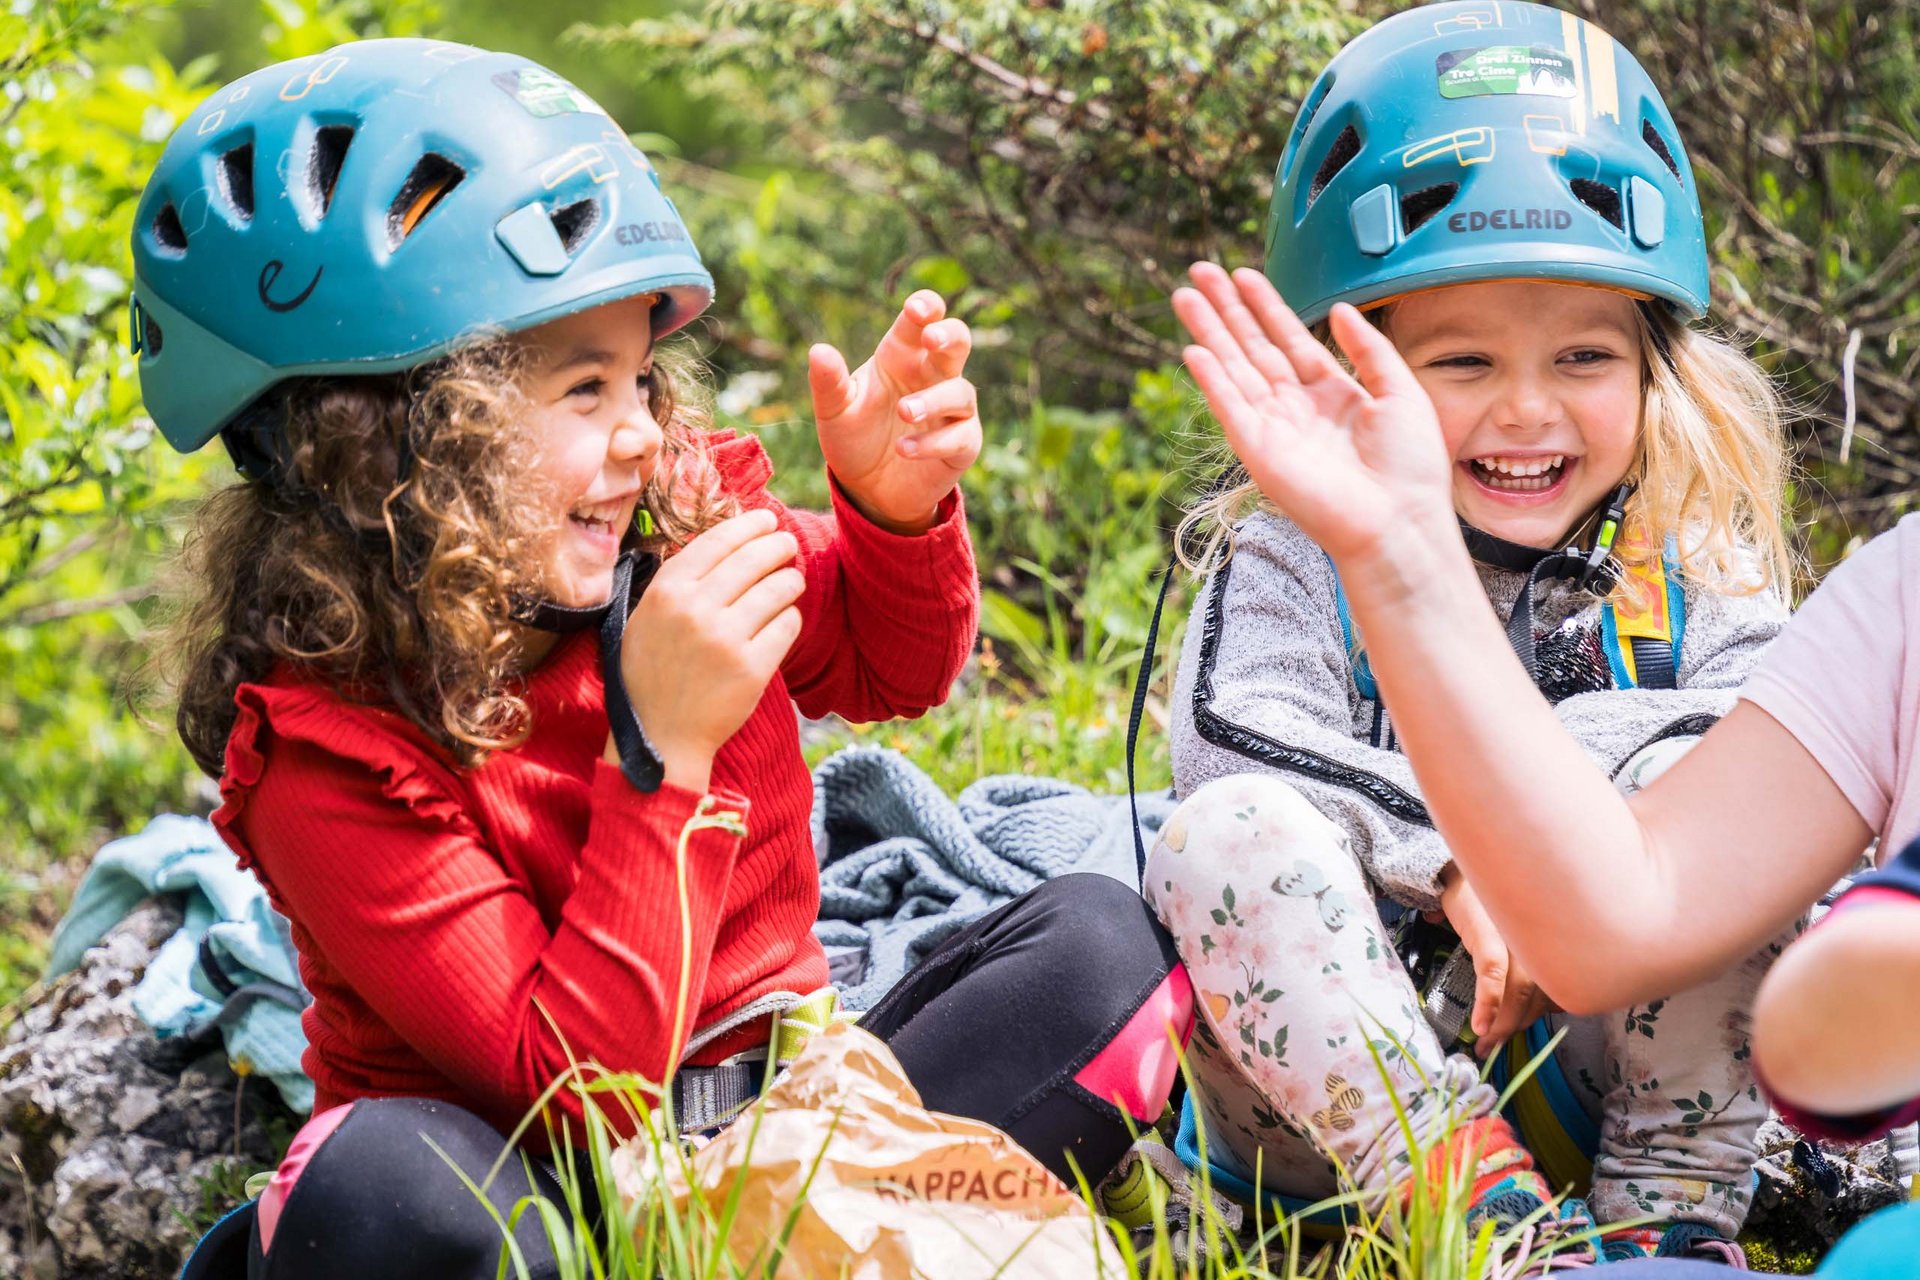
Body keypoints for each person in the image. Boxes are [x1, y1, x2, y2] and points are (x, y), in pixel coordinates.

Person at [149, 39, 1192, 1280]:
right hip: (537, 1179)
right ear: (386, 442)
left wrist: (891, 512)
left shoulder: (675, 529)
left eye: (643, 376)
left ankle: (826, 1232)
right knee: (383, 1192)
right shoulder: (330, 754)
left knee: (1099, 953)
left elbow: (889, 666)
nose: (643, 431)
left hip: (795, 1120)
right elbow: (573, 1092)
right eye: (584, 389)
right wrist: (663, 753)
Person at [1170, 57, 1920, 1280]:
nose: (1528, 410)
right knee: (1222, 828)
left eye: (1584, 359)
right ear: (1354, 376)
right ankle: (1486, 1220)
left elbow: (1757, 762)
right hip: (1338, 1100)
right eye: (1462, 365)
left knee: (1729, 821)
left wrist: (1556, 824)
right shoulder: (1293, 552)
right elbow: (1232, 730)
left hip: (1596, 1077)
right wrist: (1449, 853)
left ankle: (1663, 1226)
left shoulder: (1687, 549)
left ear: (1656, 370)